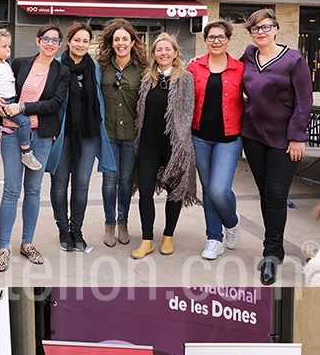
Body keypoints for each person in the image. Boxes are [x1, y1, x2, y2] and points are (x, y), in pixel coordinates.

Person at [240, 6, 313, 285]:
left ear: (276, 29)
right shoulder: (248, 56)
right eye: (255, 28)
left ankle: (271, 254)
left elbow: (304, 101)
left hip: (284, 140)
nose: (261, 32)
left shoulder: (294, 60)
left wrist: (297, 137)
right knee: (265, 193)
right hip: (253, 136)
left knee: (275, 194)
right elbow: (230, 74)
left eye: (266, 27)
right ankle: (275, 248)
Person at [0, 22, 69, 273]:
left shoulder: (62, 71)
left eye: (55, 40)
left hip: (43, 135)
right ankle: (4, 247)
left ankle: (27, 243)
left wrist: (24, 108)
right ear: (38, 41)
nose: (50, 44)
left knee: (34, 190)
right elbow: (2, 89)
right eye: (46, 39)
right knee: (11, 191)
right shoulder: (19, 63)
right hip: (12, 133)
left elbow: (55, 103)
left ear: (60, 45)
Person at [48, 21, 116, 252]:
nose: (80, 44)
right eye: (76, 40)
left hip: (88, 134)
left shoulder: (94, 67)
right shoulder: (56, 65)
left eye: (85, 41)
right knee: (59, 185)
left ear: (90, 44)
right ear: (68, 42)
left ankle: (77, 230)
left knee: (81, 185)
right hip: (61, 134)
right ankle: (63, 230)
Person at [132, 33, 196, 260]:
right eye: (159, 50)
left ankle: (168, 236)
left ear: (175, 53)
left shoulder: (185, 79)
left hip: (175, 145)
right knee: (146, 192)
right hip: (148, 143)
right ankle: (147, 239)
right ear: (153, 54)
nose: (164, 53)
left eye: (168, 49)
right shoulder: (147, 78)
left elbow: (188, 113)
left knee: (174, 192)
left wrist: (181, 146)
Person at [186, 19, 244, 260]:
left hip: (229, 139)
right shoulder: (195, 67)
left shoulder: (240, 68)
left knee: (220, 190)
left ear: (229, 40)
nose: (216, 41)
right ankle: (214, 238)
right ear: (205, 40)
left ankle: (231, 221)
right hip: (199, 137)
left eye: (221, 37)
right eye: (212, 37)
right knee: (208, 189)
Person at [97, 18, 146, 247]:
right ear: (111, 42)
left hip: (130, 135)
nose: (121, 43)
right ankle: (109, 224)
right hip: (108, 134)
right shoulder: (102, 67)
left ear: (133, 42)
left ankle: (123, 222)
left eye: (125, 39)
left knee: (126, 182)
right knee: (109, 181)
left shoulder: (143, 69)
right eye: (117, 39)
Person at [0, 29, 41, 169]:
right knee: (24, 121)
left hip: (13, 100)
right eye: (3, 47)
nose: (8, 49)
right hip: (5, 103)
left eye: (9, 46)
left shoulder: (5, 63)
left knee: (24, 121)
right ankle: (26, 152)